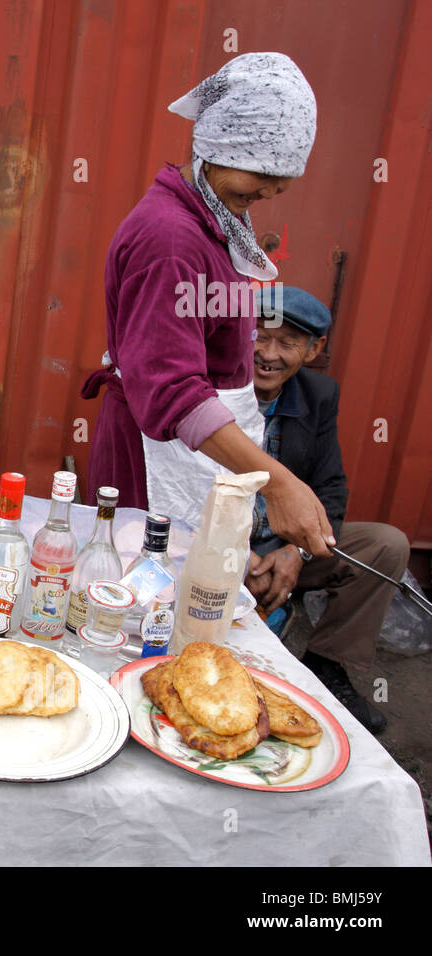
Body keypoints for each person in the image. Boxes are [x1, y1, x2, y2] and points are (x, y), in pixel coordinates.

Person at [82, 53, 335, 560]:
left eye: (280, 184)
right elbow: (172, 388)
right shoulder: (171, 238)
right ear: (218, 147)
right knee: (142, 602)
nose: (267, 192)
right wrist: (277, 483)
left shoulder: (215, 217)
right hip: (153, 459)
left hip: (198, 455)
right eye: (259, 175)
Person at [243, 286, 409, 733]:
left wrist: (295, 554)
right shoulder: (213, 390)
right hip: (212, 548)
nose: (268, 354)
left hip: (281, 547)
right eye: (258, 335)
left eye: (287, 342)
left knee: (384, 545)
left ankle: (327, 665)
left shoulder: (317, 395)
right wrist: (238, 557)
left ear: (314, 349)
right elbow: (176, 493)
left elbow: (331, 488)